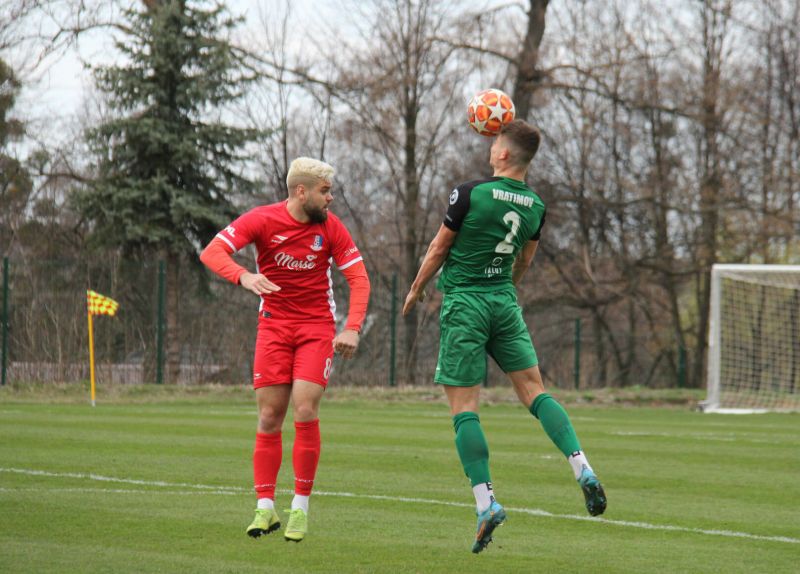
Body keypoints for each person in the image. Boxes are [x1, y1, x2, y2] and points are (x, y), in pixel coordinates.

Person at [402, 120, 606, 554]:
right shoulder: (536, 205)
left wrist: (417, 287)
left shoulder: (469, 193)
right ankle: (582, 468)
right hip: (504, 303)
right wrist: (503, 290)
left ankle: (486, 503)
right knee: (535, 391)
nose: (491, 146)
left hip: (466, 304)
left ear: (504, 155)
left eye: (495, 142)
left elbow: (439, 248)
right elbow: (524, 261)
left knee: (464, 408)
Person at [200, 157, 370, 543]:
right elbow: (211, 253)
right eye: (325, 192)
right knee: (268, 416)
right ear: (301, 191)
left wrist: (353, 328)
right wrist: (244, 276)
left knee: (306, 408)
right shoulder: (261, 220)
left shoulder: (331, 228)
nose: (330, 199)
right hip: (274, 327)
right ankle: (264, 508)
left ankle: (300, 508)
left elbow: (359, 279)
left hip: (316, 328)